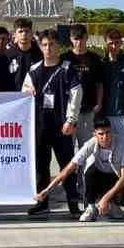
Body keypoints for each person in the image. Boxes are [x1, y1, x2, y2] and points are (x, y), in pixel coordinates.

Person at [33, 112, 124, 221]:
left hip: (115, 180)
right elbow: (67, 170)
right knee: (90, 171)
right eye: (101, 134)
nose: (105, 137)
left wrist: (106, 198)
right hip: (97, 180)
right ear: (94, 134)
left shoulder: (123, 144)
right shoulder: (90, 144)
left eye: (107, 132)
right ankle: (91, 207)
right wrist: (47, 190)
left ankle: (113, 205)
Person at [24, 29, 83, 218]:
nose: (48, 48)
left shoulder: (67, 68)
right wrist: (28, 89)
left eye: (52, 44)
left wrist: (71, 120)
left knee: (67, 165)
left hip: (61, 126)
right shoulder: (33, 70)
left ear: (58, 46)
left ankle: (73, 202)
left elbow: (76, 94)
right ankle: (42, 203)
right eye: (45, 45)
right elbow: (23, 93)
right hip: (40, 126)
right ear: (40, 47)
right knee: (41, 166)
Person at [67, 24, 105, 151]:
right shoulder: (65, 58)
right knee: (68, 148)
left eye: (81, 38)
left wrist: (98, 103)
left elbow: (99, 84)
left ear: (86, 38)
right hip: (70, 110)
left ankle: (85, 171)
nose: (78, 42)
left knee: (87, 148)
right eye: (75, 39)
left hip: (88, 110)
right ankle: (72, 171)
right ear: (71, 39)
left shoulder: (95, 59)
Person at [7, 18, 43, 90]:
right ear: (15, 34)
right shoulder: (8, 54)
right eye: (20, 31)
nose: (24, 34)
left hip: (32, 96)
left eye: (27, 31)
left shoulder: (40, 54)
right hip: (13, 96)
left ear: (31, 33)